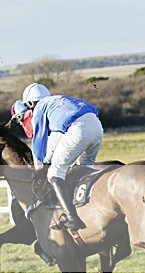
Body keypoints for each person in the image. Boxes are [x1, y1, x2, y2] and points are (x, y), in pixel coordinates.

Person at [20, 83, 104, 230]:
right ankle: (88, 209)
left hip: (79, 129)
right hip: (97, 127)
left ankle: (71, 218)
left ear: (31, 103)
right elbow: (57, 137)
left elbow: (38, 140)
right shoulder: (58, 102)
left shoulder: (40, 108)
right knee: (83, 170)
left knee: (55, 173)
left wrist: (38, 166)